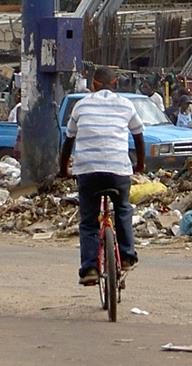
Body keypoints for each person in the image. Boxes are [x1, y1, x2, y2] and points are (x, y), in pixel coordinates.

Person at [58, 68, 145, 286]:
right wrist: (140, 164)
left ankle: (89, 269)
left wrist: (63, 169)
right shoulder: (126, 104)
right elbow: (138, 135)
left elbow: (68, 141)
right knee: (123, 208)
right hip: (118, 170)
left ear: (93, 84)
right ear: (114, 83)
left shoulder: (82, 105)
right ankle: (126, 255)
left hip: (88, 171)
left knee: (89, 221)